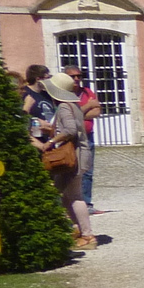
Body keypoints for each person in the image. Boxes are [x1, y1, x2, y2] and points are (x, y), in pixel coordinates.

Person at [36, 74, 98, 250]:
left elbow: (70, 130)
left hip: (74, 156)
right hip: (79, 154)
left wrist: (51, 141)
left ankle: (87, 235)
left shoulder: (64, 106)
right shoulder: (73, 105)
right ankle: (78, 230)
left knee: (74, 196)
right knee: (66, 195)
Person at [64, 63, 100, 209]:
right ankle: (69, 202)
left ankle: (87, 203)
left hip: (87, 135)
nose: (77, 79)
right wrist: (87, 107)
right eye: (73, 76)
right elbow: (69, 115)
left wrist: (79, 112)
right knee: (68, 169)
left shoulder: (87, 92)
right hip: (70, 137)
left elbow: (97, 112)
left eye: (79, 76)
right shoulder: (63, 94)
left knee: (87, 171)